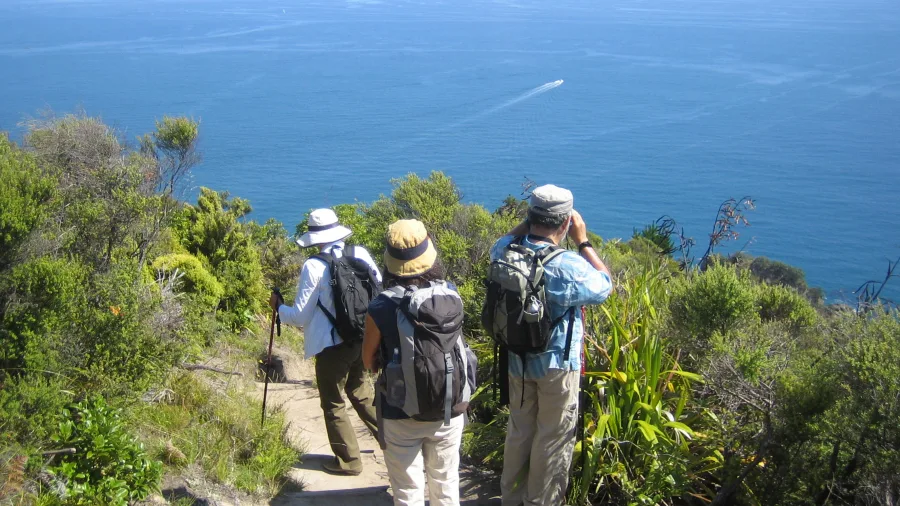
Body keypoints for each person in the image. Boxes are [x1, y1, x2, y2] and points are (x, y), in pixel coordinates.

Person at [492, 184, 613, 506]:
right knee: (553, 438)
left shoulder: (504, 251)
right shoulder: (568, 265)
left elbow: (504, 238)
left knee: (520, 432)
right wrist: (583, 241)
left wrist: (527, 223)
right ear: (566, 223)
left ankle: (511, 499)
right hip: (557, 364)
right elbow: (605, 285)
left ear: (530, 216)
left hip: (516, 359)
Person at [362, 219, 468, 506]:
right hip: (450, 406)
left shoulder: (380, 306)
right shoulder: (450, 292)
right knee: (445, 483)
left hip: (401, 412)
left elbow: (368, 361)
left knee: (408, 491)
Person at [268, 208, 381, 476]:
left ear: (313, 237)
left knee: (333, 400)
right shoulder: (359, 253)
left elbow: (299, 316)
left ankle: (349, 461)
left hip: (332, 345)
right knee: (360, 389)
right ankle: (395, 443)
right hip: (363, 338)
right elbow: (380, 288)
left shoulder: (314, 266)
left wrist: (278, 308)